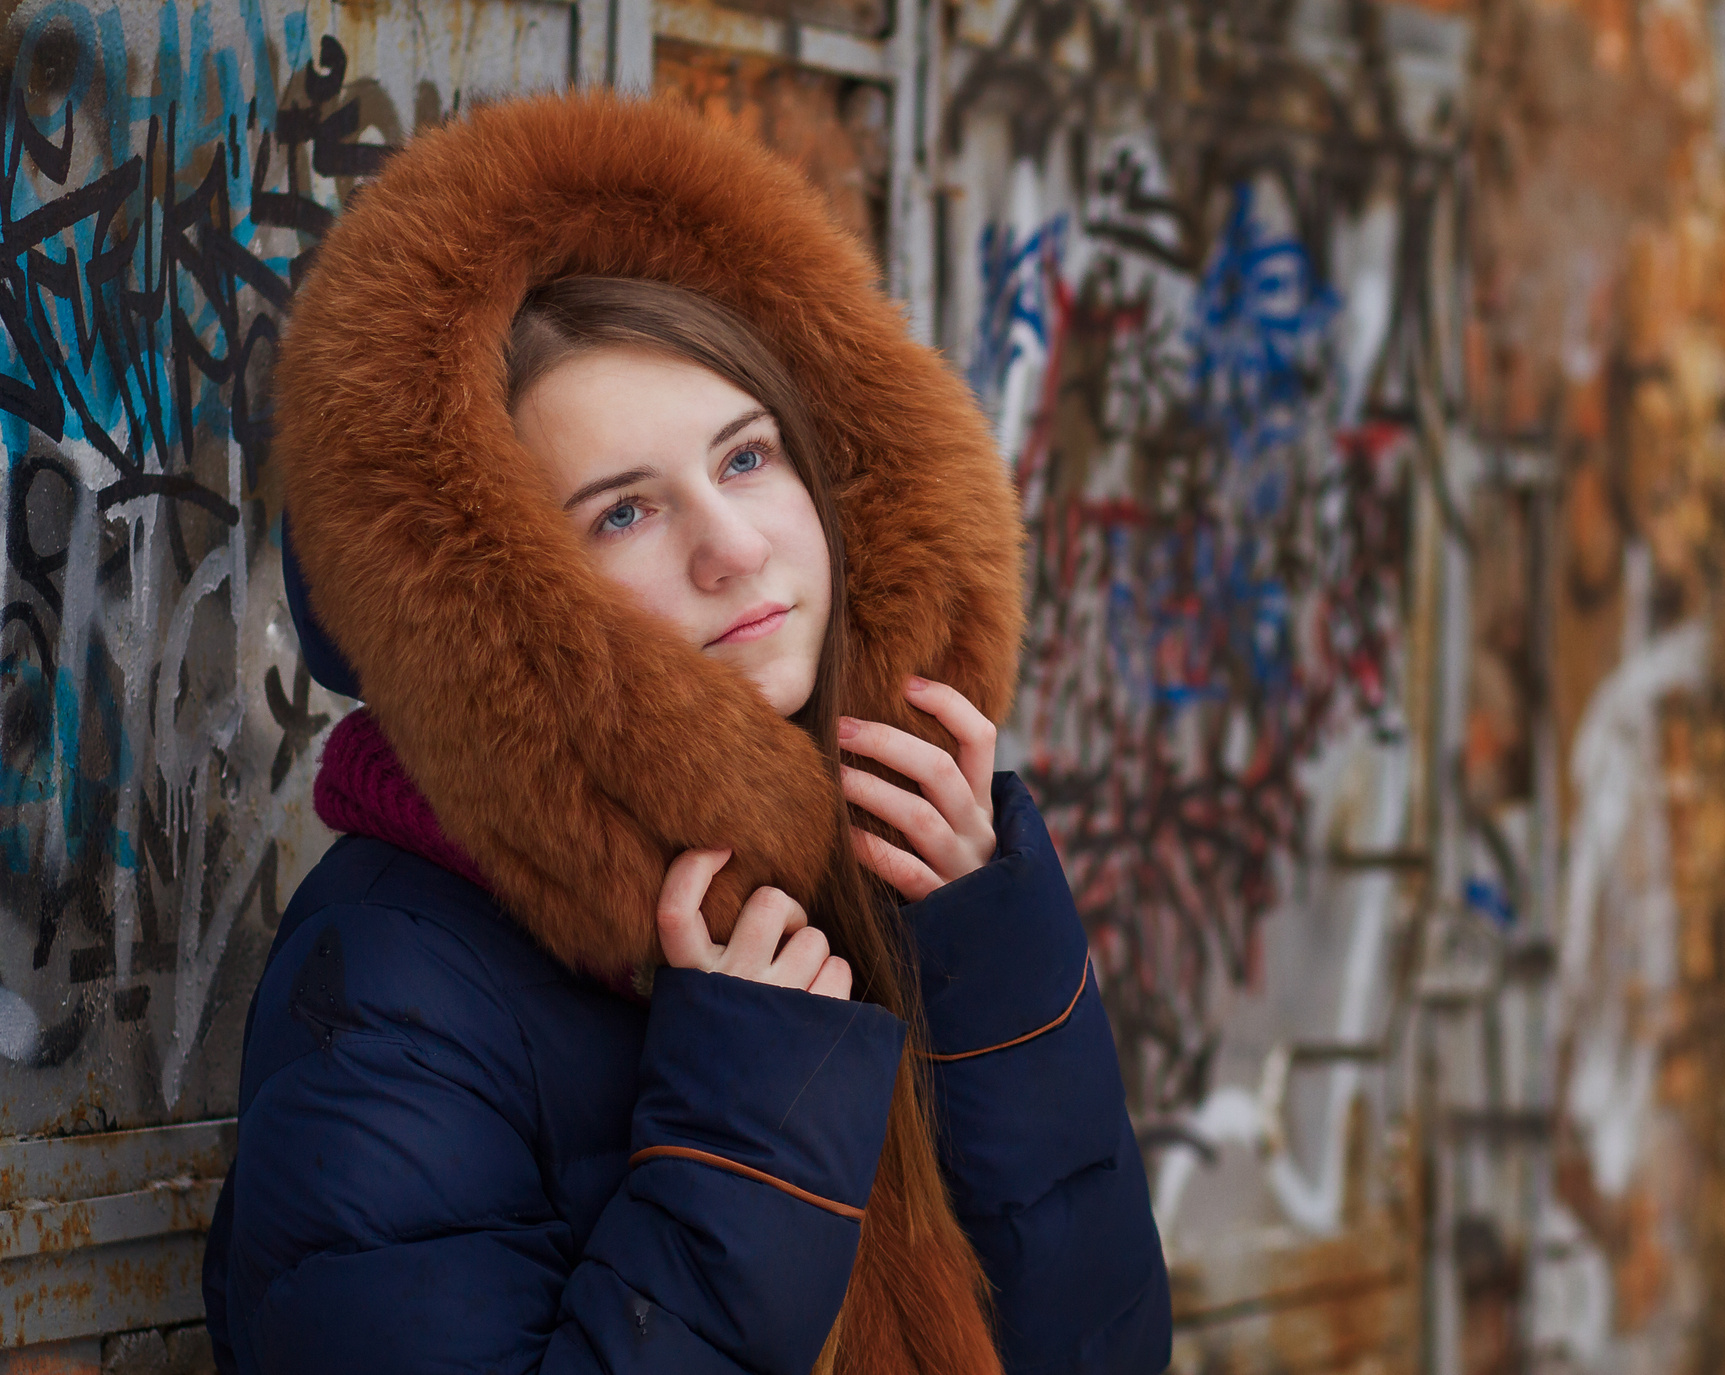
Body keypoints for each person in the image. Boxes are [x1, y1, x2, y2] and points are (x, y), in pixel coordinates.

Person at [201, 90, 1170, 1375]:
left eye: (748, 457)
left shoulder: (896, 875)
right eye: (623, 512)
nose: (734, 547)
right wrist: (745, 1139)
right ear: (498, 608)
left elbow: (1103, 1350)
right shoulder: (391, 985)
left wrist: (988, 969)